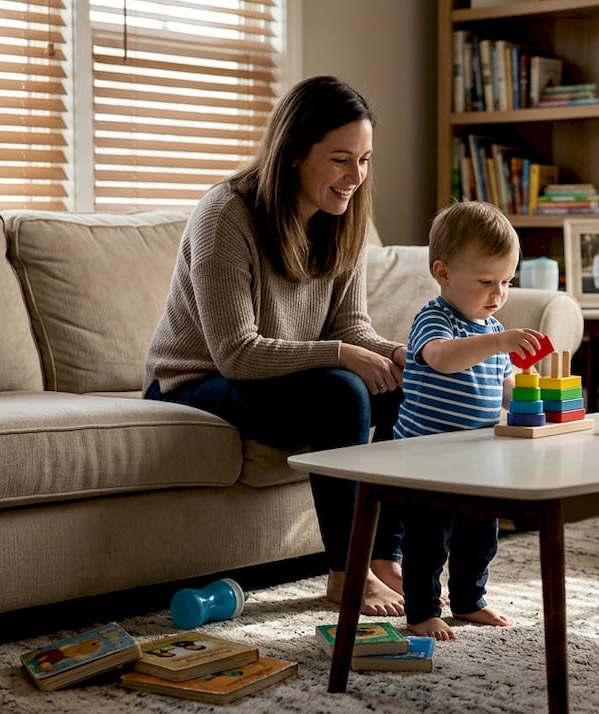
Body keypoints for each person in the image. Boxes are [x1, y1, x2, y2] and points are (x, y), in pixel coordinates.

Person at [142, 76, 408, 617]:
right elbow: (235, 353)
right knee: (343, 392)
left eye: (364, 160)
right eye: (340, 159)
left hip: (280, 378)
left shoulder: (346, 217)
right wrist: (340, 355)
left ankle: (385, 558)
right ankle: (344, 574)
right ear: (293, 154)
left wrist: (401, 356)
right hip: (194, 382)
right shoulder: (226, 215)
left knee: (401, 387)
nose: (355, 176)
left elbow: (351, 326)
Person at [393, 201, 545, 640]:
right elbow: (440, 359)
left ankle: (468, 599)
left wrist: (544, 396)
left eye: (506, 282)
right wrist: (498, 341)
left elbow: (506, 389)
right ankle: (421, 611)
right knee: (427, 541)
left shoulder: (490, 328)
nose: (497, 294)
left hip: (476, 460)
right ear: (443, 273)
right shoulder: (436, 320)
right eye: (485, 282)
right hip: (426, 459)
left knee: (480, 536)